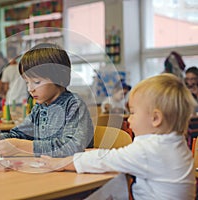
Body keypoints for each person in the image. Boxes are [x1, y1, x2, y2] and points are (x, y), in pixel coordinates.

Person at [41, 74, 196, 199]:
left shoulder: (149, 150)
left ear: (155, 119)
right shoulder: (174, 144)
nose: (128, 119)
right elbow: (112, 156)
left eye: (133, 113)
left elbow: (102, 160)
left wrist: (60, 163)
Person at [0, 43, 94, 157]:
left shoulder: (73, 105)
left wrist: (20, 146)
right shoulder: (40, 107)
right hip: (47, 169)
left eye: (36, 82)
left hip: (71, 173)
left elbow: (72, 146)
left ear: (59, 78)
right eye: (27, 82)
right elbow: (20, 135)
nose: (30, 89)